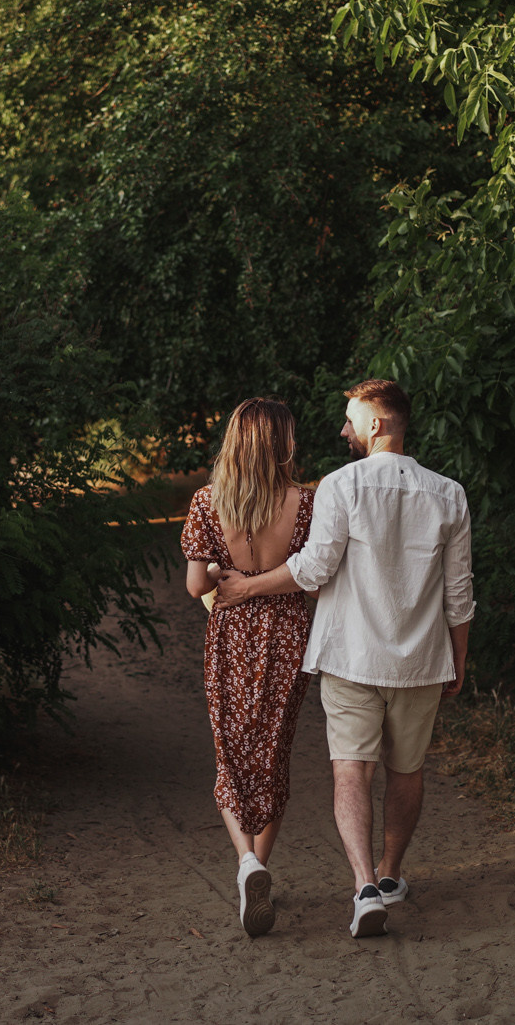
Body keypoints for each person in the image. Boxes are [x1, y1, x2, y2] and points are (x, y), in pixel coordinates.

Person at [213, 378, 472, 939]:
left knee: (350, 770)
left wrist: (246, 590)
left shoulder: (340, 485)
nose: (342, 430)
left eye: (350, 419)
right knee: (407, 770)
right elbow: (459, 591)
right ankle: (389, 873)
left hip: (352, 656)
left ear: (376, 424)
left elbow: (313, 568)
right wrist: (459, 655)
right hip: (422, 661)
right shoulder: (449, 494)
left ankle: (362, 887)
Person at [181, 397, 316, 938]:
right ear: (282, 442)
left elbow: (196, 587)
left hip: (231, 637)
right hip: (286, 637)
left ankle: (247, 864)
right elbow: (313, 575)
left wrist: (219, 571)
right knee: (273, 755)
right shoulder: (304, 504)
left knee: (232, 755)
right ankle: (260, 862)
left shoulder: (207, 501)